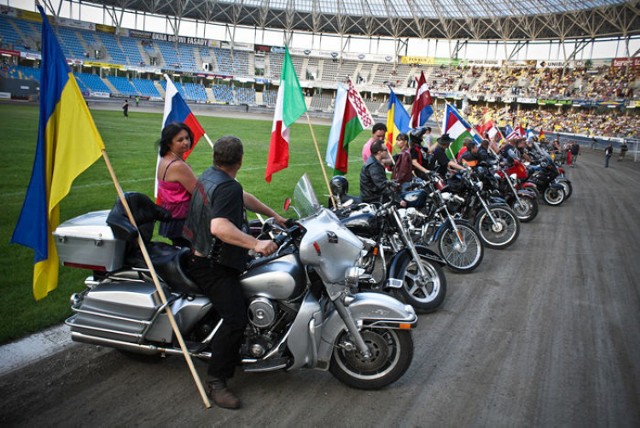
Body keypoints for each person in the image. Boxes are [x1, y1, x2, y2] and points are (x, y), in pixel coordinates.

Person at [183, 135, 286, 409]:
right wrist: (256, 243)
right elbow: (219, 227)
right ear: (240, 160)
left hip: (201, 254)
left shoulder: (211, 176)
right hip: (211, 265)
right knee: (235, 318)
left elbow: (242, 195)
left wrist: (275, 216)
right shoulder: (224, 185)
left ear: (216, 157)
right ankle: (216, 381)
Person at [156, 123, 198, 247]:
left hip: (171, 217)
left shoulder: (165, 160)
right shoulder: (178, 165)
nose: (186, 142)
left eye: (187, 138)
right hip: (181, 220)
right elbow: (198, 192)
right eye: (180, 140)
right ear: (169, 143)